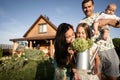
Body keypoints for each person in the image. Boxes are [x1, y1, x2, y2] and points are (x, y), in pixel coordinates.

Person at [80, 0, 120, 80]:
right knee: (96, 77)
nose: (87, 9)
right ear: (82, 9)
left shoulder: (102, 14)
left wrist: (106, 21)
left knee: (112, 77)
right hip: (94, 53)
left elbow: (118, 24)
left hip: (109, 50)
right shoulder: (81, 22)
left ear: (93, 6)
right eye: (85, 7)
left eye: (89, 6)